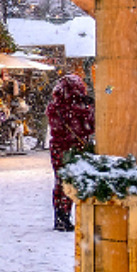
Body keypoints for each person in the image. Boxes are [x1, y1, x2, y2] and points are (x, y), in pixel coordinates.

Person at [45, 72, 94, 231]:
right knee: (72, 182)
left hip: (57, 148)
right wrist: (89, 108)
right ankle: (66, 215)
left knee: (60, 182)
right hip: (74, 148)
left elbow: (56, 128)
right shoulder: (80, 109)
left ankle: (60, 215)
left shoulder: (54, 108)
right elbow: (89, 127)